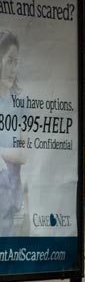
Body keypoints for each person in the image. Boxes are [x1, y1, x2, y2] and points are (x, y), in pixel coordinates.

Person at [0, 30, 26, 236]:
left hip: (11, 197)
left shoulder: (21, 103)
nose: (12, 69)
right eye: (9, 60)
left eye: (15, 62)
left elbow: (23, 155)